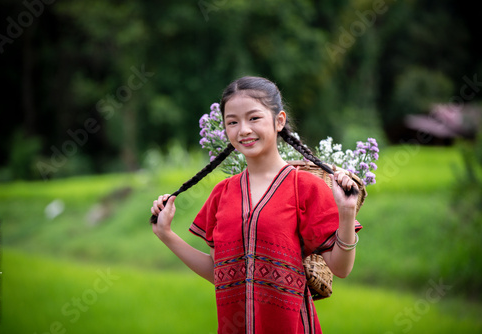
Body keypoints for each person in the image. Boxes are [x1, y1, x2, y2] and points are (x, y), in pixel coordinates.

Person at [151, 76, 362, 334]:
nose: (243, 130)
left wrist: (347, 213)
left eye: (254, 118)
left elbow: (341, 268)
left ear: (279, 121)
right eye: (232, 122)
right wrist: (166, 235)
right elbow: (220, 273)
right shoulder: (222, 193)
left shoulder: (305, 187)